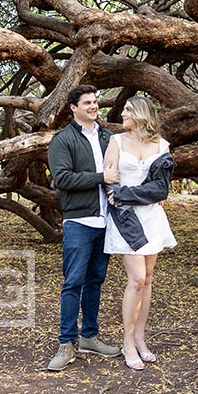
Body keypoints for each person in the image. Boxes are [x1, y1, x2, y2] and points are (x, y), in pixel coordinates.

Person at [45, 85, 122, 371]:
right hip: (79, 221)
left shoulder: (106, 136)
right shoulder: (62, 140)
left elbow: (120, 171)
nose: (93, 106)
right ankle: (66, 343)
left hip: (105, 220)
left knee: (95, 281)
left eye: (95, 101)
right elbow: (63, 179)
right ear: (73, 108)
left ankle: (89, 337)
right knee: (73, 282)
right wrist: (102, 177)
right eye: (87, 102)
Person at [103, 96, 177, 370]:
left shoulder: (163, 145)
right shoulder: (117, 142)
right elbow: (110, 184)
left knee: (148, 280)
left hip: (152, 218)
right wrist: (132, 196)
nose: (122, 113)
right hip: (126, 219)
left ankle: (140, 338)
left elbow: (162, 188)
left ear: (142, 114)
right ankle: (127, 342)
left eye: (128, 110)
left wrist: (131, 194)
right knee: (137, 279)